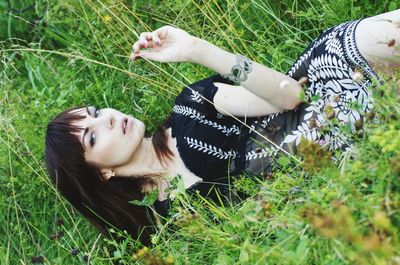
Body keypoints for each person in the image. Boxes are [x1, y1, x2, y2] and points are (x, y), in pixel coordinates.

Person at [45, 10, 399, 245]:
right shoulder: (171, 224)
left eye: (94, 111)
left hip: (329, 99)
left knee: (379, 36)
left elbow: (291, 95)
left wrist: (197, 50)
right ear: (102, 173)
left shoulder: (190, 108)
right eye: (92, 135)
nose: (105, 117)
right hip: (339, 159)